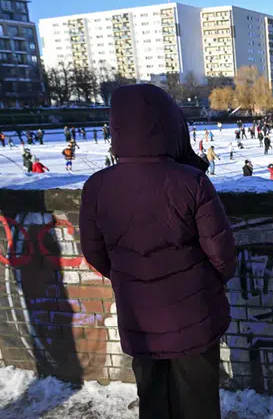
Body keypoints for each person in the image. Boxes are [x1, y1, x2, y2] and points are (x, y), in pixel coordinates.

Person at [79, 84, 235, 419]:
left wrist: (129, 277)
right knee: (197, 400)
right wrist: (208, 282)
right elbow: (221, 253)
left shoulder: (97, 186)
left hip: (139, 316)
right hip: (194, 313)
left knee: (152, 398)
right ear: (169, 124)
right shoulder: (190, 182)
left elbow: (94, 253)